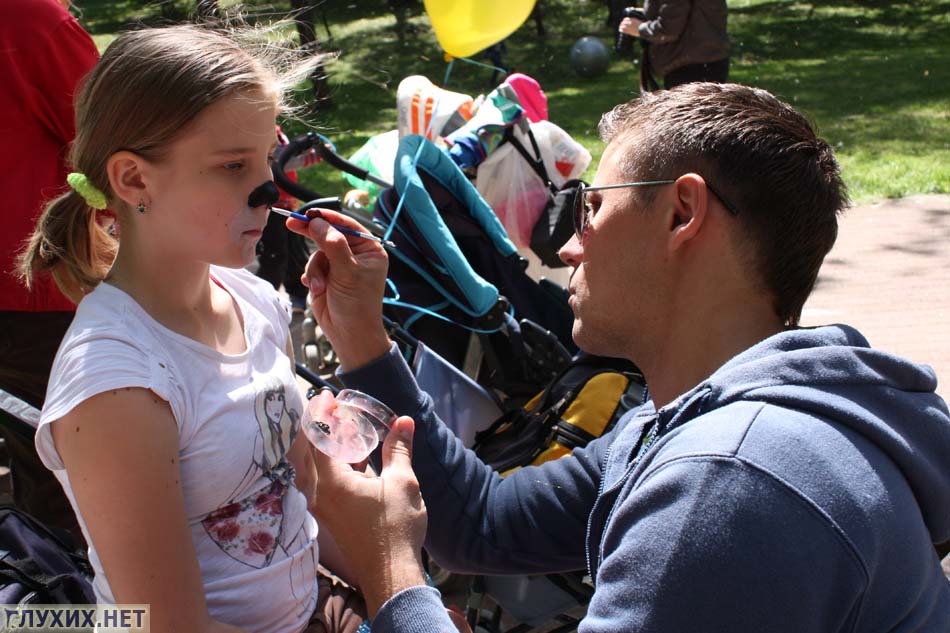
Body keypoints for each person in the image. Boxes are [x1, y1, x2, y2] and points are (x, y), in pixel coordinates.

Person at [288, 82, 950, 631]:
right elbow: (484, 525)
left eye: (591, 208)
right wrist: (361, 336)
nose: (569, 248)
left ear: (681, 213)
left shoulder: (727, 480)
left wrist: (389, 572)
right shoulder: (684, 419)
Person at [18, 24, 366, 633]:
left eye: (267, 159)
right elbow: (168, 625)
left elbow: (301, 497)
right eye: (233, 165)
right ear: (134, 181)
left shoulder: (256, 301)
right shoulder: (117, 385)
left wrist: (398, 589)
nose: (269, 189)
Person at [0, 0, 99, 541]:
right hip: (38, 290)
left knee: (38, 462)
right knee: (75, 475)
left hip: (29, 293)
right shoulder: (29, 17)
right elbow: (107, 132)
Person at [619, 1, 730, 89]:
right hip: (710, 60)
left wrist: (639, 28)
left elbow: (669, 29)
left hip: (688, 68)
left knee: (691, 116)